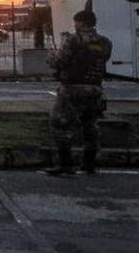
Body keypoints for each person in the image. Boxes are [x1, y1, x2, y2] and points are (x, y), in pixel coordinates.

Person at [43, 9, 113, 176]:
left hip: (72, 88)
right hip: (95, 89)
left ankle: (66, 164)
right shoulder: (105, 42)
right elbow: (103, 60)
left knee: (60, 124)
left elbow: (59, 61)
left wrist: (50, 56)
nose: (74, 26)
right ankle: (89, 164)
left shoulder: (73, 40)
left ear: (81, 23)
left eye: (76, 23)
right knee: (90, 126)